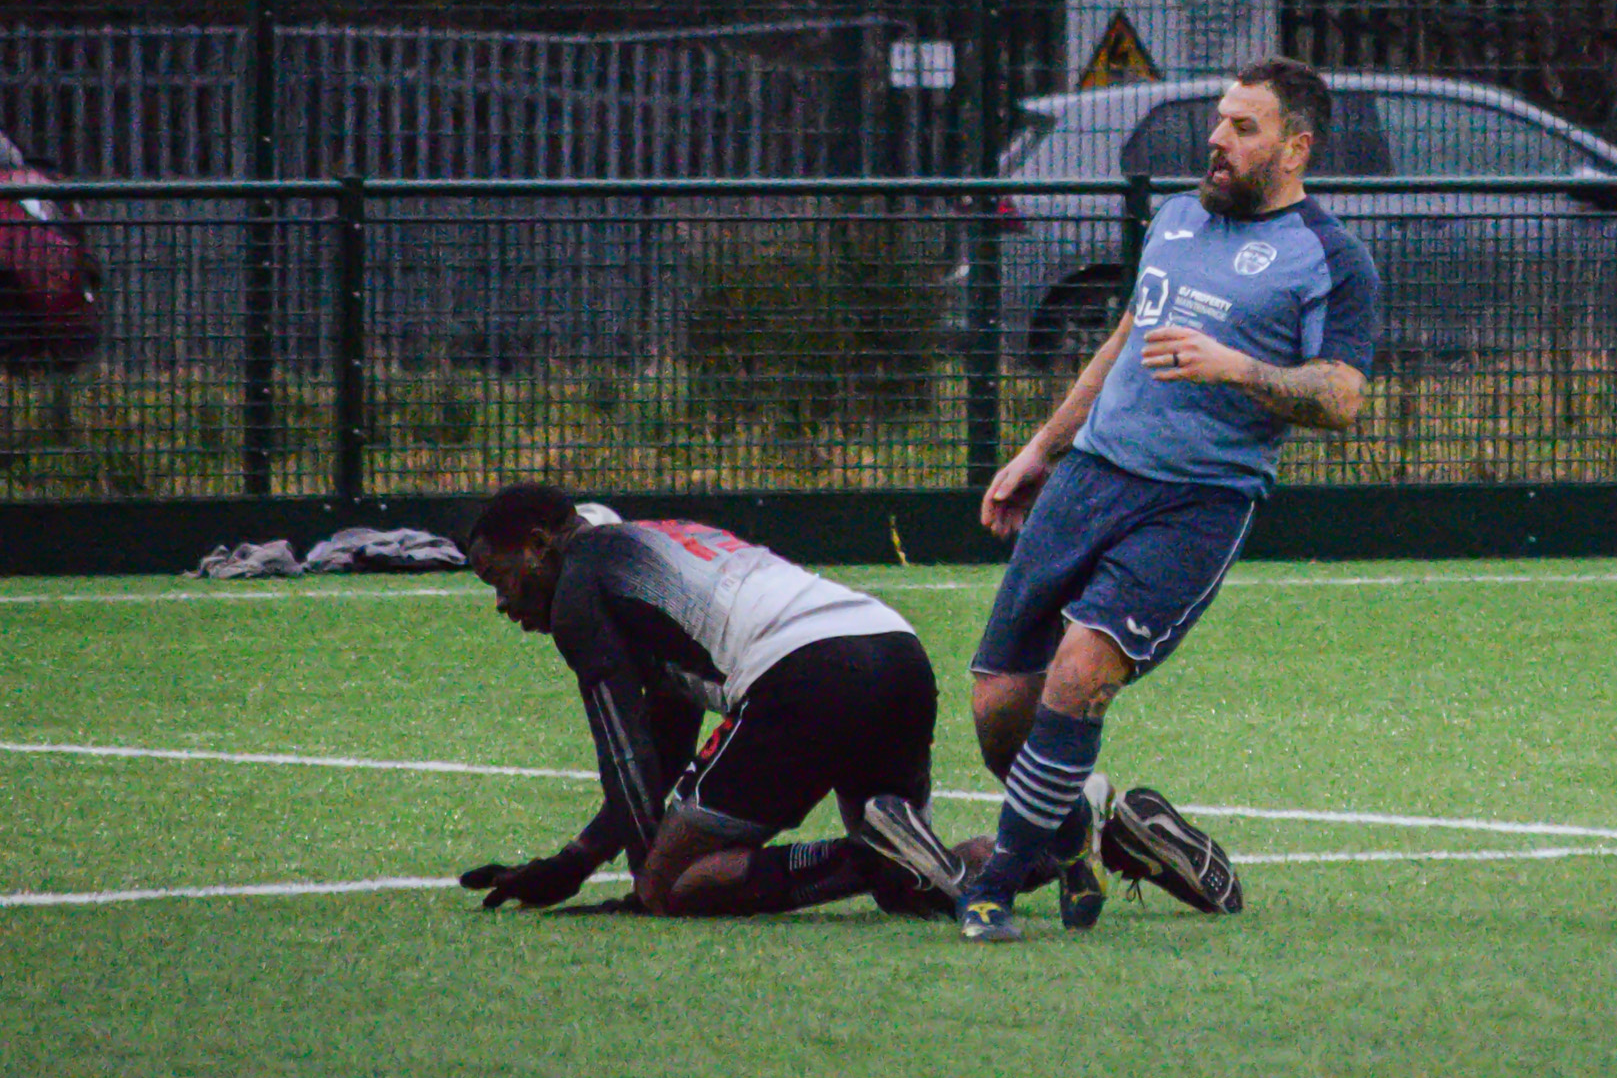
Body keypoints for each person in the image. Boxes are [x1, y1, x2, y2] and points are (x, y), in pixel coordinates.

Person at [955, 56, 1383, 942]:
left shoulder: (1333, 260)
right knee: (1000, 706)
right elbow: (1126, 336)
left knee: (1079, 671)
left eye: (1244, 128)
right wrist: (1042, 448)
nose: (1218, 140)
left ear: (1296, 147)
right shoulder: (1178, 215)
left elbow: (1342, 397)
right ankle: (1077, 836)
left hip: (1197, 500)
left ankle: (996, 881)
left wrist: (1234, 366)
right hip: (1089, 477)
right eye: (1221, 121)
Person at [458, 483, 981, 920]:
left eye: (498, 578)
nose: (502, 603)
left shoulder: (579, 588)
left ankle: (867, 853)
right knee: (912, 886)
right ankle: (1025, 857)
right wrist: (574, 862)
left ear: (537, 544)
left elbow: (625, 755)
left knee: (676, 885)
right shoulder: (650, 549)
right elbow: (665, 745)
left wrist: (647, 888)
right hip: (896, 652)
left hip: (808, 670)